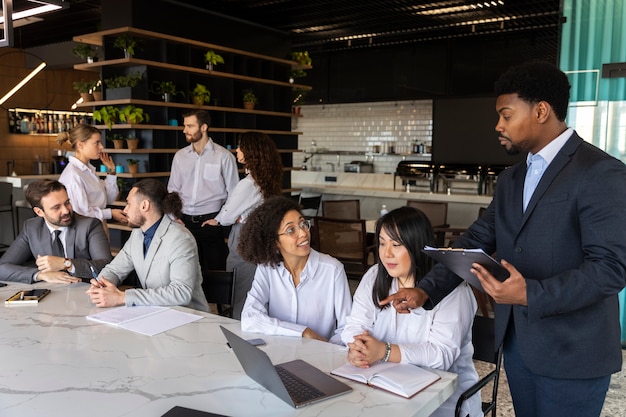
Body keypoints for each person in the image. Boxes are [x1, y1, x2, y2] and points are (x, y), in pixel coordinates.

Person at [383, 61, 626, 417]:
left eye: (506, 115)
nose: (498, 125)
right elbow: (479, 238)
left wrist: (530, 293)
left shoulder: (601, 172)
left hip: (573, 354)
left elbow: (609, 269)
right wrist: (426, 290)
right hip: (518, 346)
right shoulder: (512, 178)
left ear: (541, 110)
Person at [342, 206, 481, 416]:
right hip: (382, 388)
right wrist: (358, 348)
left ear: (417, 246)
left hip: (441, 400)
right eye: (381, 243)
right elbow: (353, 325)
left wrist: (384, 351)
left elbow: (441, 354)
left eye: (396, 245)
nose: (386, 253)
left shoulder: (451, 289)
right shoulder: (374, 276)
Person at [238, 196, 352, 344]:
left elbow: (348, 329)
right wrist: (303, 332)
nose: (303, 233)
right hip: (279, 353)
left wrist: (326, 350)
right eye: (291, 230)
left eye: (303, 224)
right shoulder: (267, 268)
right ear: (274, 242)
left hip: (319, 359)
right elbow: (250, 318)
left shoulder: (332, 270)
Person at [86, 179, 209, 312]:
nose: (125, 210)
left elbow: (181, 292)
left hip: (189, 317)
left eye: (128, 204)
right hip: (154, 314)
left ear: (144, 205)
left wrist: (123, 297)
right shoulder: (137, 234)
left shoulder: (180, 238)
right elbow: (115, 270)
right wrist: (101, 285)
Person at [206, 131, 283, 319]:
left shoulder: (248, 184)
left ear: (252, 152)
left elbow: (227, 216)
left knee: (240, 290)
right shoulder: (265, 180)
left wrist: (220, 218)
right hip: (258, 237)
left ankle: (240, 334)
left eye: (241, 146)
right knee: (254, 290)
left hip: (243, 237)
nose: (237, 150)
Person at [0, 179, 112, 284]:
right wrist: (39, 275)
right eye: (56, 207)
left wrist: (66, 264)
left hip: (85, 290)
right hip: (50, 293)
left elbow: (106, 266)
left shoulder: (90, 225)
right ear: (39, 212)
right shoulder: (32, 228)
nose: (66, 210)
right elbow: (2, 267)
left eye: (67, 202)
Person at [167, 110, 238, 271]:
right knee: (186, 271)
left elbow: (234, 194)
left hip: (211, 223)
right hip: (183, 222)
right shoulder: (180, 156)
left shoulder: (224, 156)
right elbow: (172, 191)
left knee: (215, 271)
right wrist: (173, 217)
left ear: (204, 127)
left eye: (190, 126)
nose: (185, 130)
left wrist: (218, 220)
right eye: (185, 126)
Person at [57, 124, 127, 226]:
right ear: (80, 145)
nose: (101, 147)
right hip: (85, 231)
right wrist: (110, 213)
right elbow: (81, 213)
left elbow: (108, 199)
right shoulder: (73, 175)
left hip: (97, 225)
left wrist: (111, 172)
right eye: (96, 143)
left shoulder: (88, 170)